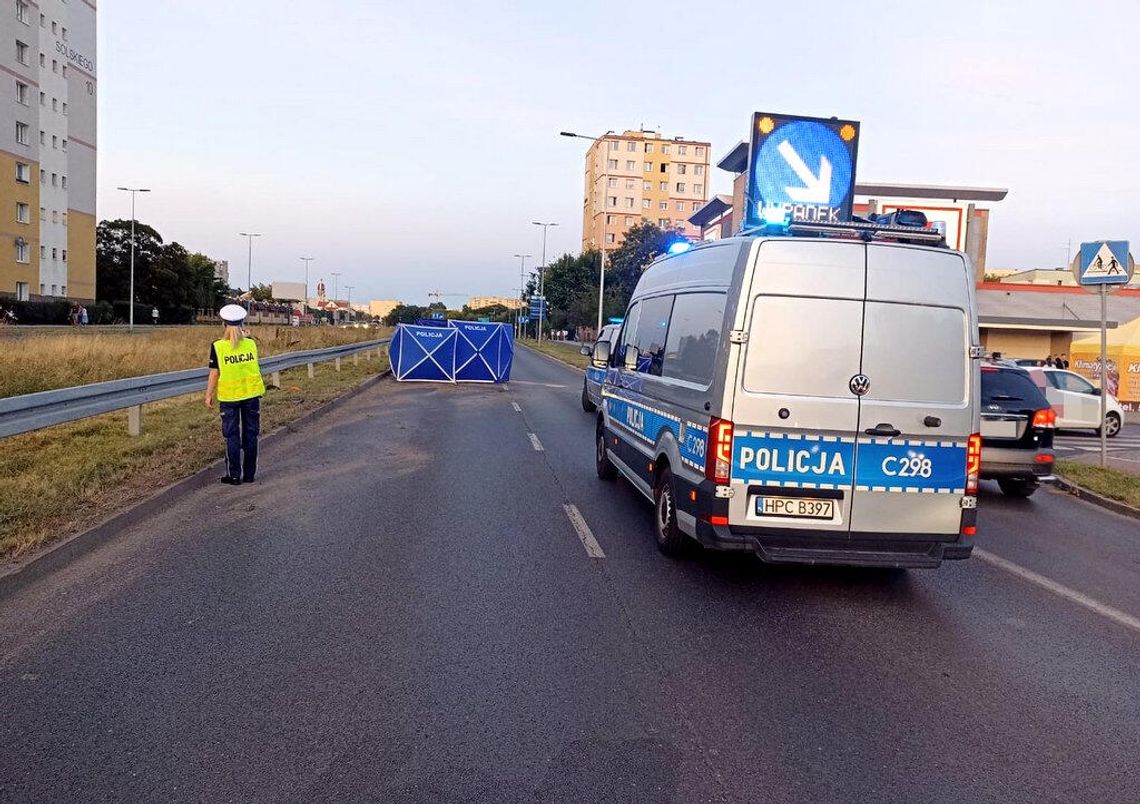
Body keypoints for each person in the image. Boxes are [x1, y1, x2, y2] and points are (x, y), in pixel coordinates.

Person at [204, 304, 266, 485]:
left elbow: (214, 373)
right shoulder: (251, 344)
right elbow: (242, 345)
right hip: (252, 395)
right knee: (251, 435)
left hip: (229, 398)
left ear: (223, 324)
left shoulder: (218, 347)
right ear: (242, 323)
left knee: (232, 436)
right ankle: (249, 475)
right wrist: (245, 336)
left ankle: (233, 475)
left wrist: (208, 395)